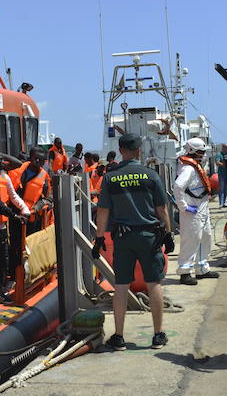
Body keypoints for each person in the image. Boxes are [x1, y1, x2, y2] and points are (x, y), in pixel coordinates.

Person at [92, 133, 174, 350]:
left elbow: (102, 211)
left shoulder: (111, 177)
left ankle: (118, 337)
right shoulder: (151, 175)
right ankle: (158, 335)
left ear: (120, 151)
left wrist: (99, 238)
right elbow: (162, 209)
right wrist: (168, 233)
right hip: (149, 237)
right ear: (139, 150)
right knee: (154, 283)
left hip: (123, 238)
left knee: (121, 285)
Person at [173, 137, 219, 285]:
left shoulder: (196, 167)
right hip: (192, 210)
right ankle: (185, 271)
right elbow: (178, 187)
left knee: (205, 236)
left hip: (202, 207)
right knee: (191, 239)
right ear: (193, 151)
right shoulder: (188, 169)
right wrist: (184, 207)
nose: (203, 155)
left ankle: (202, 267)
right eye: (201, 152)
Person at [0, 149, 28, 302]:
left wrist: (24, 209)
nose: (2, 162)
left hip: (2, 224)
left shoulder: (5, 176)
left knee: (2, 258)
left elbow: (13, 195)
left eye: (2, 160)